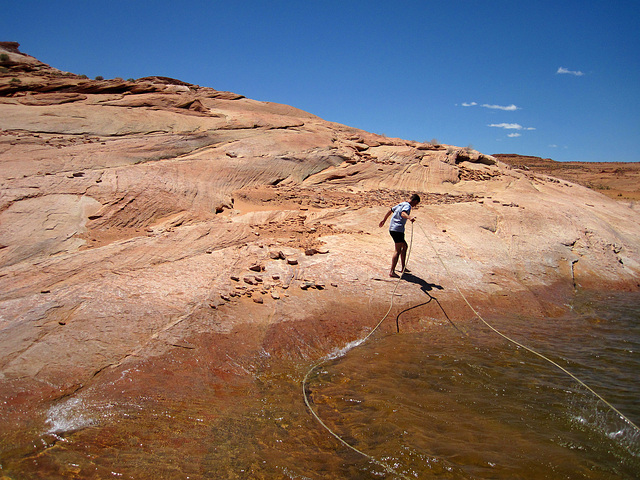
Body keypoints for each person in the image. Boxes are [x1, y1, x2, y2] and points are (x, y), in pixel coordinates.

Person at [379, 194, 420, 277]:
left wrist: (384, 220)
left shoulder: (401, 204)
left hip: (393, 229)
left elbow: (390, 211)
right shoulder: (407, 206)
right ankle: (392, 271)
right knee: (397, 250)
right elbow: (403, 214)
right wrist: (409, 217)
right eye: (416, 204)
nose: (415, 206)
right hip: (398, 230)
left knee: (405, 246)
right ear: (415, 201)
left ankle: (403, 267)